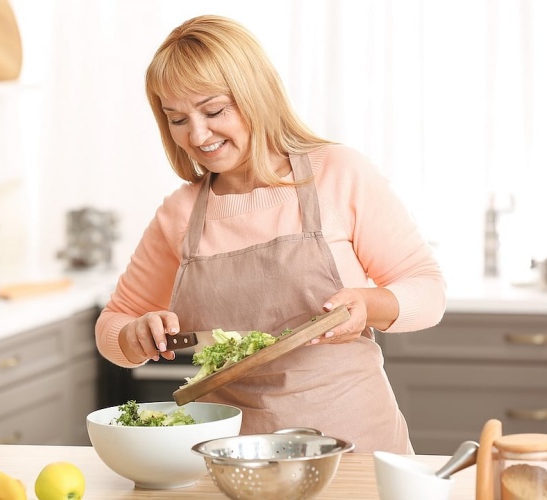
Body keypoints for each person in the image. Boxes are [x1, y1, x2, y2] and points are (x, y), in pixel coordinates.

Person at [95, 14, 446, 454]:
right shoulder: (180, 214)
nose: (197, 134)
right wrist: (135, 336)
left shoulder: (338, 174)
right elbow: (115, 323)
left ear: (255, 96)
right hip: (230, 457)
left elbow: (428, 290)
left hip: (355, 446)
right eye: (177, 119)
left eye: (214, 110)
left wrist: (368, 305)